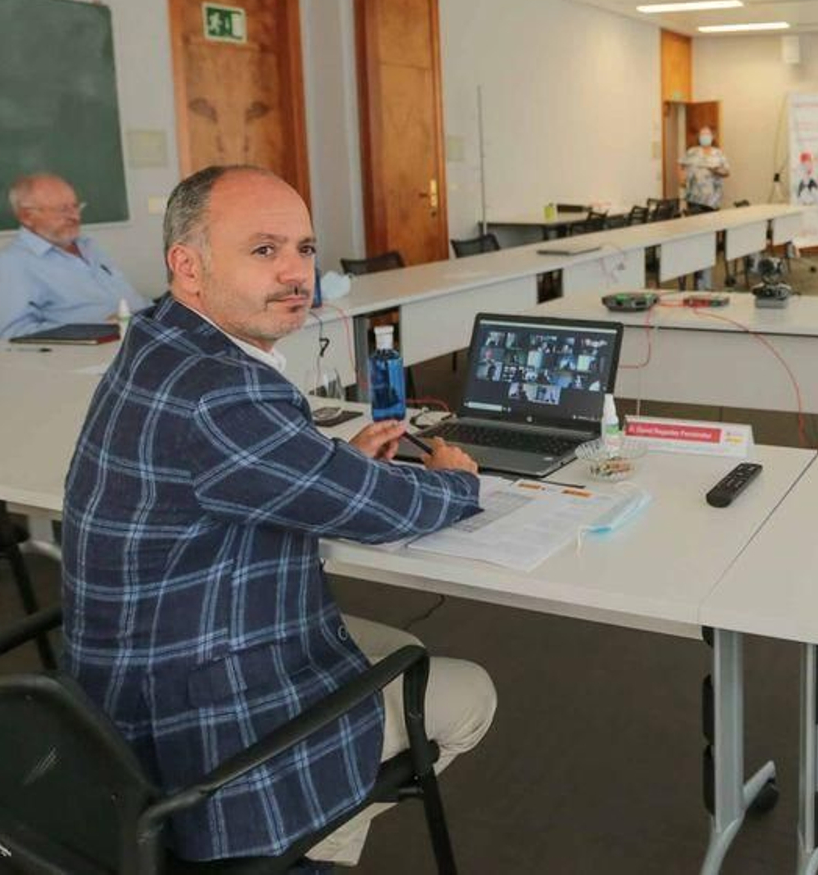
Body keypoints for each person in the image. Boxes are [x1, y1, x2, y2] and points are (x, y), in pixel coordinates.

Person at [62, 165, 495, 868]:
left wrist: (329, 458)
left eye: (304, 248)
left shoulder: (161, 342)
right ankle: (293, 848)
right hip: (194, 721)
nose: (297, 273)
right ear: (188, 265)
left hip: (131, 678)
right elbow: (384, 509)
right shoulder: (219, 390)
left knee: (382, 645)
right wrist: (454, 481)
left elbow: (241, 464)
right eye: (264, 250)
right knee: (470, 693)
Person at [0, 172, 150, 338]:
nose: (75, 216)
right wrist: (100, 329)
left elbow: (128, 298)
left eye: (76, 206)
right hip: (93, 353)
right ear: (27, 216)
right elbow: (12, 333)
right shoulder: (11, 262)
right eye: (62, 209)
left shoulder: (88, 246)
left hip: (142, 334)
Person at [681, 125, 730, 214]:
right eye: (702, 134)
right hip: (694, 197)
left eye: (707, 134)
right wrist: (682, 180)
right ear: (699, 137)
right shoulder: (692, 151)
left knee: (711, 224)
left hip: (713, 198)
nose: (705, 137)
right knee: (695, 224)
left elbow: (727, 172)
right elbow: (681, 165)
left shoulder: (718, 153)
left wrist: (716, 170)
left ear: (712, 137)